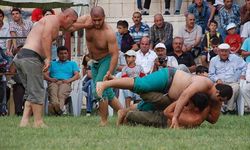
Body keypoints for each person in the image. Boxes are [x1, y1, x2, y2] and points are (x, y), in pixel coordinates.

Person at [96, 67, 233, 128]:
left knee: (150, 103)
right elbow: (185, 95)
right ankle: (106, 83)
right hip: (168, 78)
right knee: (141, 85)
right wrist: (175, 117)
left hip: (169, 95)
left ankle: (124, 112)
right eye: (221, 100)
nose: (220, 103)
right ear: (217, 94)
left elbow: (213, 119)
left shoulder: (212, 98)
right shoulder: (204, 83)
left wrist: (217, 104)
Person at [13, 8, 78, 127]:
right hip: (31, 58)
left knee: (30, 92)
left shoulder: (51, 21)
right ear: (67, 17)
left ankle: (24, 121)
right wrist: (48, 58)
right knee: (37, 91)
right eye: (73, 21)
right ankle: (38, 122)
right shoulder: (53, 20)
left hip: (21, 57)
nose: (72, 24)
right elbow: (46, 37)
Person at [70, 6, 123, 126]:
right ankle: (124, 113)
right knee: (108, 92)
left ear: (104, 18)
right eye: (94, 20)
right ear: (91, 17)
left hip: (107, 60)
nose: (97, 22)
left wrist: (110, 71)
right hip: (93, 61)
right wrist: (84, 25)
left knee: (99, 89)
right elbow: (70, 26)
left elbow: (115, 54)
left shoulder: (108, 32)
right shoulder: (85, 20)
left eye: (100, 20)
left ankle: (104, 121)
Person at [118, 92, 210, 128]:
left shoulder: (193, 119)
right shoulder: (203, 108)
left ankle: (126, 119)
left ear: (197, 109)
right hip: (161, 114)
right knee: (153, 97)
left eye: (189, 102)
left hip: (161, 120)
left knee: (131, 115)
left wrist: (180, 100)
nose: (187, 102)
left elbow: (167, 112)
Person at [209, 43, 246, 114]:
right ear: (218, 52)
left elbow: (245, 66)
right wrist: (217, 79)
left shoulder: (235, 58)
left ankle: (229, 109)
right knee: (216, 90)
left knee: (236, 88)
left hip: (232, 82)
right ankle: (221, 109)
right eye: (222, 51)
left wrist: (243, 74)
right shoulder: (213, 60)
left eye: (226, 51)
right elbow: (211, 74)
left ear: (229, 51)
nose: (224, 53)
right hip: (220, 83)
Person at [44, 46, 80, 115]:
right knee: (53, 92)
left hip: (65, 83)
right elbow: (44, 75)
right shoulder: (52, 64)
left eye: (65, 53)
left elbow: (77, 75)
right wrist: (51, 79)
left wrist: (69, 80)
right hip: (54, 82)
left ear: (68, 54)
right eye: (61, 53)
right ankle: (58, 110)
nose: (63, 55)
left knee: (61, 94)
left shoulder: (72, 64)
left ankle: (54, 110)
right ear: (57, 54)